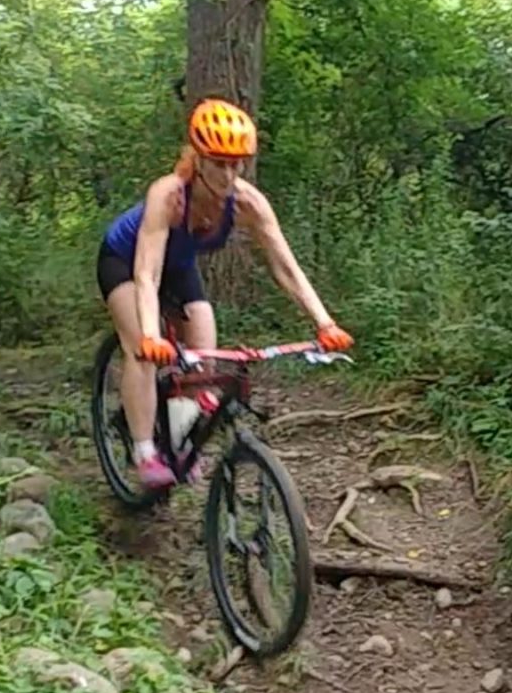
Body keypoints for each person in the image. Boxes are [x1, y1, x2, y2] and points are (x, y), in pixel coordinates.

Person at [97, 98, 353, 490]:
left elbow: (285, 266)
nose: (228, 174)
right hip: (125, 261)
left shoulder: (248, 202)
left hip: (179, 267)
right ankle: (145, 450)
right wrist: (151, 335)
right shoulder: (168, 194)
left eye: (237, 163)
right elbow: (146, 273)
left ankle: (179, 442)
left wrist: (325, 323)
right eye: (219, 162)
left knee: (204, 355)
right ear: (197, 158)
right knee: (140, 351)